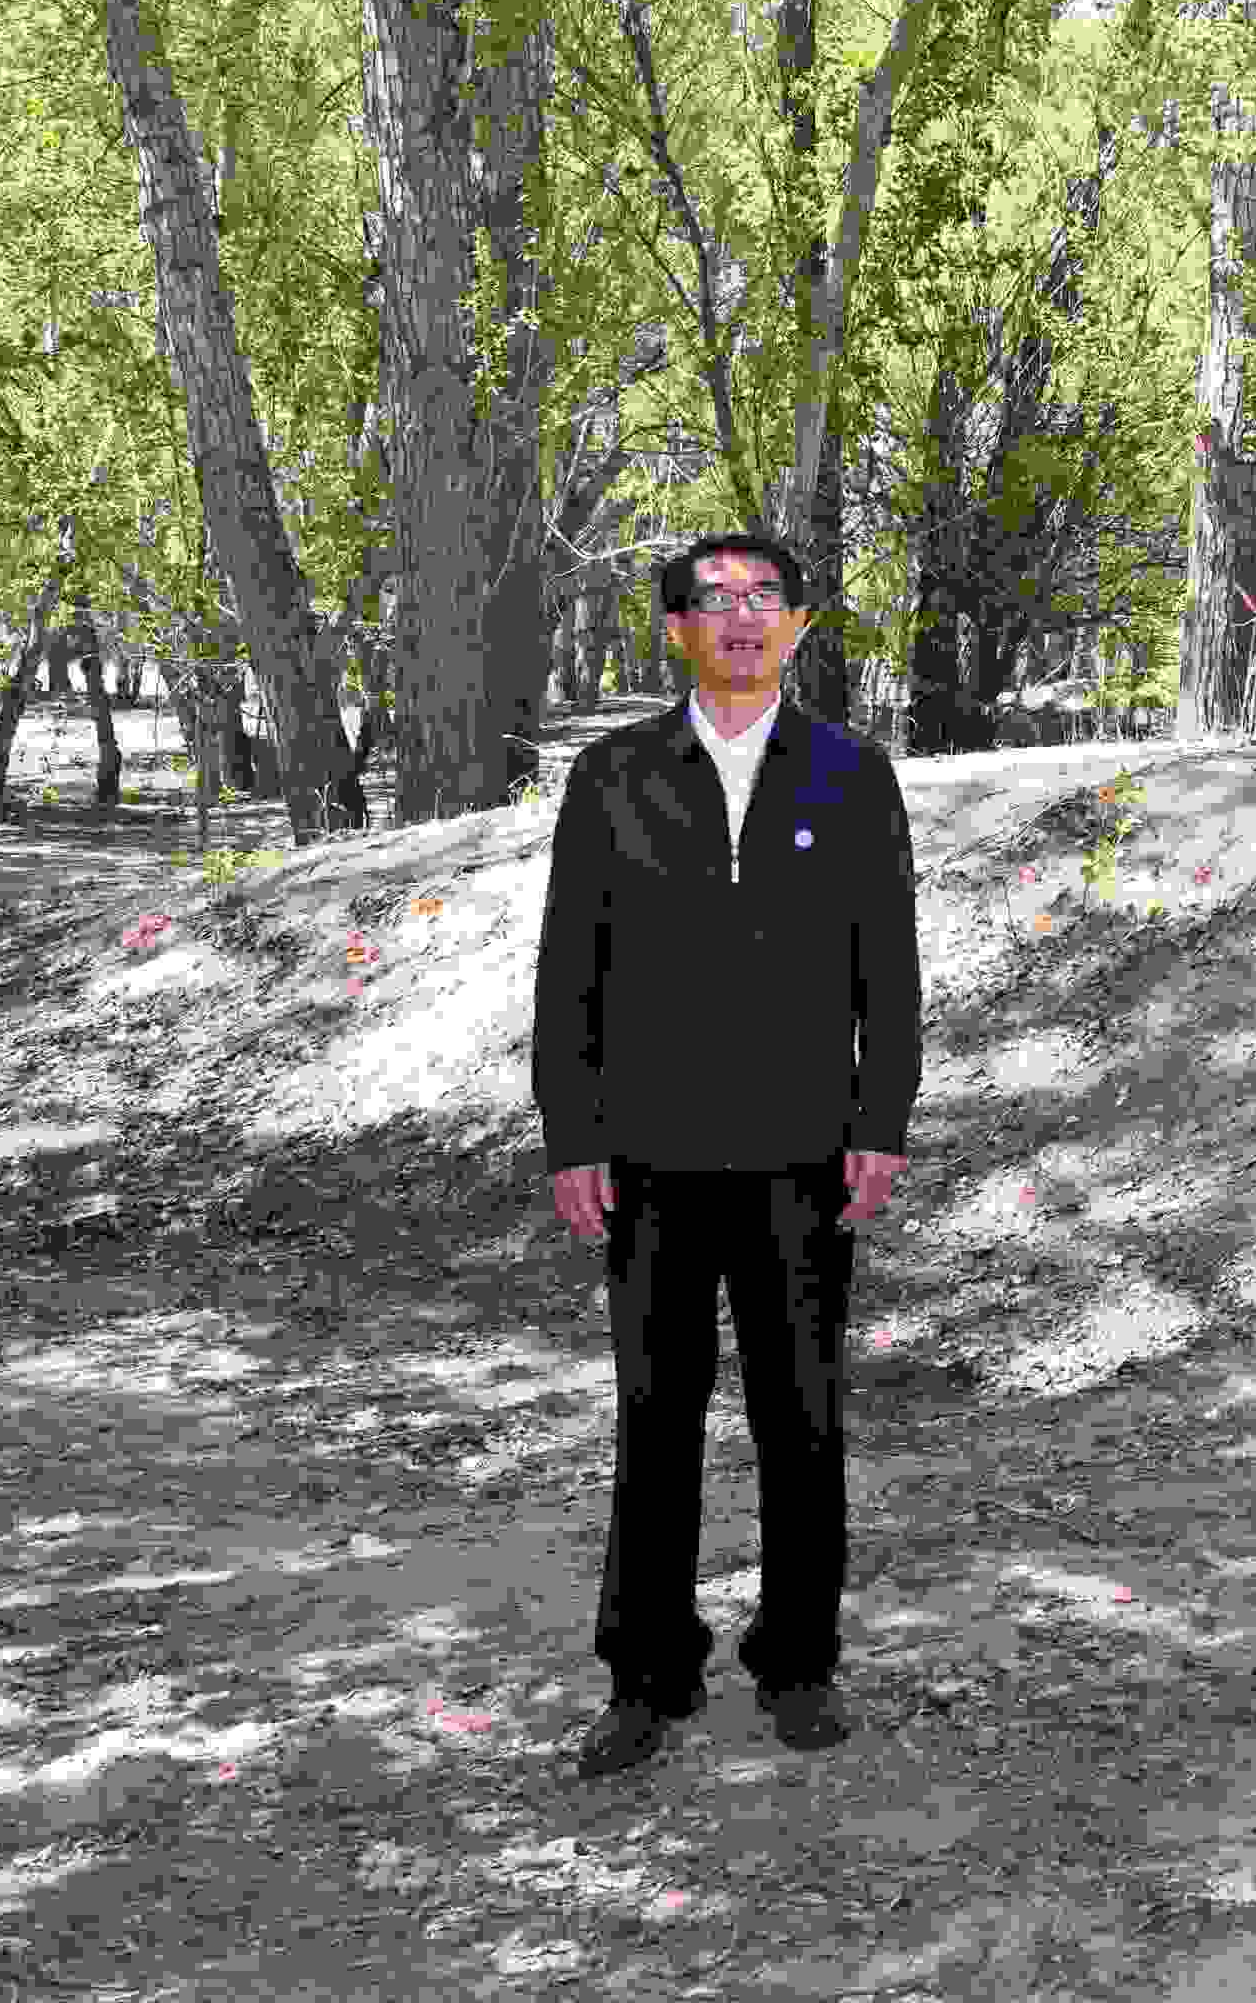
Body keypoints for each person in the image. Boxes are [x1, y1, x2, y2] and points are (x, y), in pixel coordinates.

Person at [531, 532, 922, 1778]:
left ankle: (798, 1660)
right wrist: (574, 1131)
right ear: (679, 629)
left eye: (764, 598)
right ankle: (647, 1673)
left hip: (804, 1157)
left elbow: (890, 970)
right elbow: (569, 967)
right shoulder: (613, 777)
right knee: (657, 1419)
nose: (741, 616)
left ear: (797, 625)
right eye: (715, 599)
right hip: (651, 1157)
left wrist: (881, 1120)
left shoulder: (852, 777)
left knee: (801, 1415)